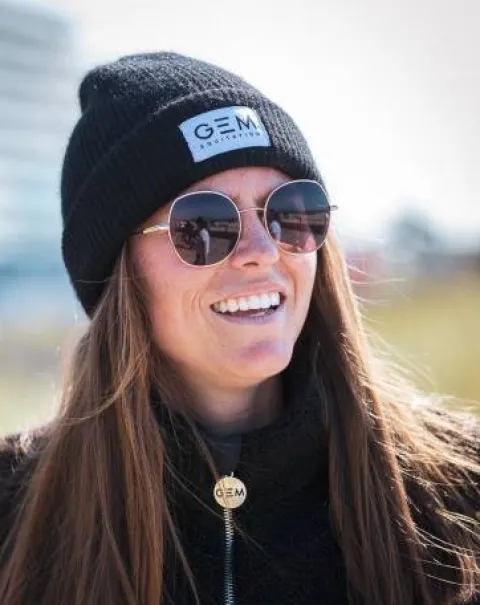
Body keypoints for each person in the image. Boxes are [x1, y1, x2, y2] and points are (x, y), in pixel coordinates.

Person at [0, 52, 478, 605]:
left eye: (290, 211)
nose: (262, 250)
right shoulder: (13, 510)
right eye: (203, 223)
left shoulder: (463, 487)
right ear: (117, 273)